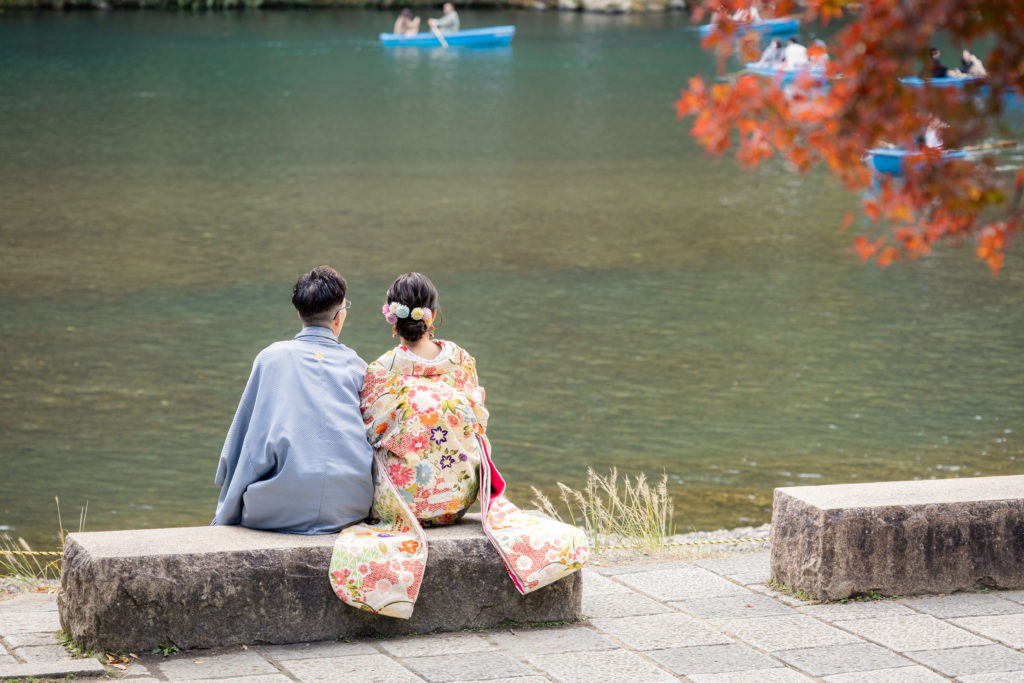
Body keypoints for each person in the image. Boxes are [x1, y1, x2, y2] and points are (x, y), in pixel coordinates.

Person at [328, 273, 588, 619]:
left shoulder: (380, 370)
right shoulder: (462, 361)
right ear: (431, 315)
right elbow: (478, 425)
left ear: (392, 320)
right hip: (458, 501)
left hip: (407, 505)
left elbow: (371, 432)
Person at [212, 266, 374, 534]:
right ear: (339, 316)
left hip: (278, 509)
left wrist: (226, 510)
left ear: (299, 312)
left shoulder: (271, 359)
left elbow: (243, 442)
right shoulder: (357, 366)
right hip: (350, 508)